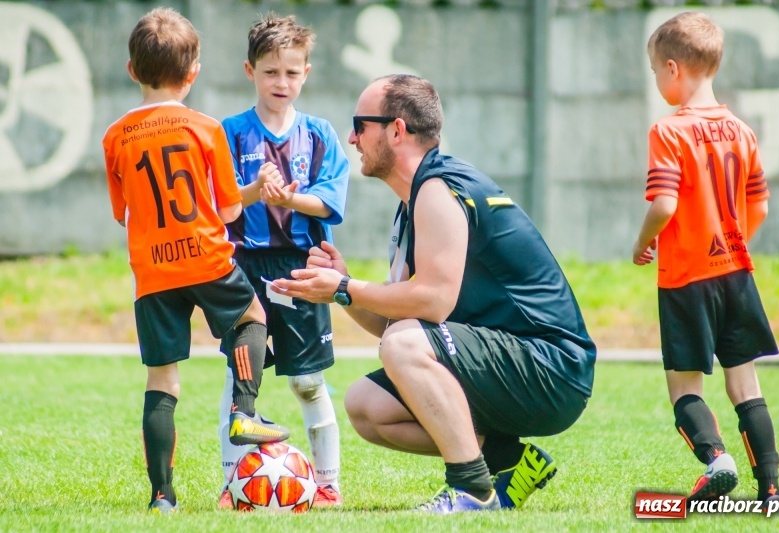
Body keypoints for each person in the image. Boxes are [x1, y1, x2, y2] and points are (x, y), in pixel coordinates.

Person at [273, 74, 596, 513]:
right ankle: (508, 460)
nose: (351, 137)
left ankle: (471, 489)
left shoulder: (438, 189)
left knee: (404, 343)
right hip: (518, 363)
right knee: (366, 405)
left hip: (553, 367)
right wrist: (341, 293)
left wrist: (347, 286)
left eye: (359, 125)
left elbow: (431, 303)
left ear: (396, 130)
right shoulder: (414, 201)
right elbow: (396, 317)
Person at [102, 7, 289, 514]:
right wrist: (254, 191)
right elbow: (228, 209)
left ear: (132, 70)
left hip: (153, 272)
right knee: (253, 316)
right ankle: (243, 411)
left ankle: (162, 496)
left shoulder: (115, 136)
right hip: (206, 258)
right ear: (193, 74)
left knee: (163, 377)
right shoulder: (206, 129)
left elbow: (123, 214)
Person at [632, 12, 779, 505]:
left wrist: (642, 242)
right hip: (736, 272)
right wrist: (733, 239)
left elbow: (665, 204)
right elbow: (759, 205)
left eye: (656, 71)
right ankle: (772, 489)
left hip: (686, 277)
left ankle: (717, 460)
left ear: (674, 68)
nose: (657, 81)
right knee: (745, 383)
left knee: (684, 386)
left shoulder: (668, 131)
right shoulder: (742, 130)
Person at [215, 14, 349, 509]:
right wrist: (255, 191)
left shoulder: (319, 135)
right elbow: (222, 203)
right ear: (250, 71)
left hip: (301, 267)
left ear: (306, 73)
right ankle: (232, 486)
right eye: (271, 72)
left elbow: (331, 201)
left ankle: (328, 483)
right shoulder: (228, 134)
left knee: (307, 380)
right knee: (238, 377)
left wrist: (291, 200)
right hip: (242, 268)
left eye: (292, 73)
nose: (282, 82)